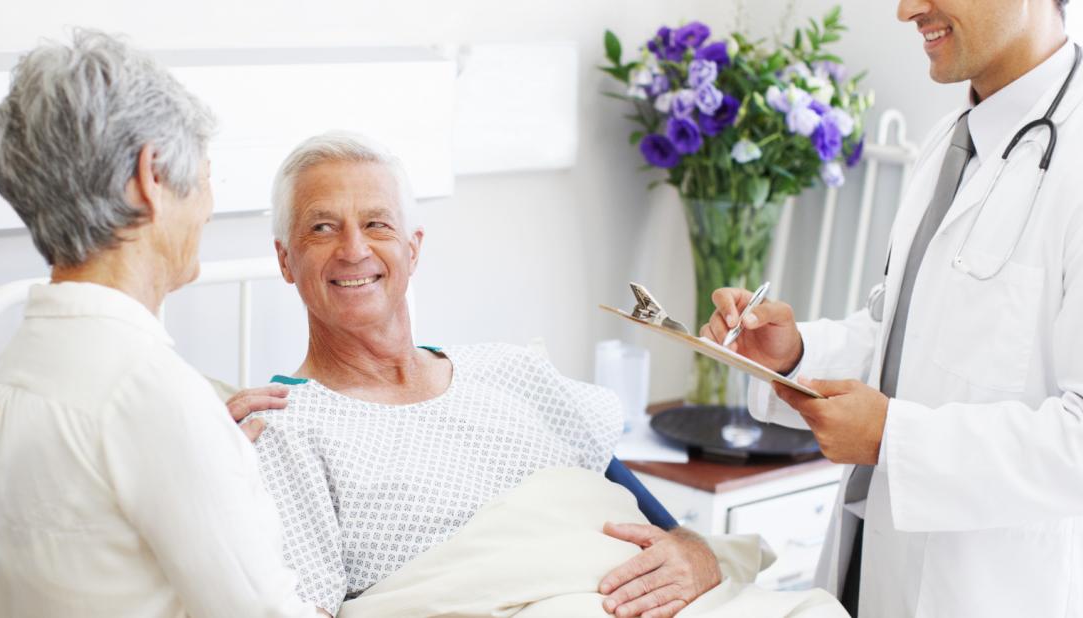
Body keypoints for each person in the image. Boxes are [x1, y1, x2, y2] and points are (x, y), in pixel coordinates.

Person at [703, 0, 1083, 616]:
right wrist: (797, 354)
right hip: (869, 562)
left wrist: (895, 438)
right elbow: (903, 338)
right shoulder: (951, 141)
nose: (906, 9)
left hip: (993, 592)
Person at [222, 131, 723, 617]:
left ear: (412, 249)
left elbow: (666, 527)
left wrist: (697, 553)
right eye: (322, 228)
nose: (354, 249)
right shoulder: (283, 430)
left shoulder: (510, 370)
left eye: (377, 224)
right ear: (286, 260)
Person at [0, 29, 318, 618]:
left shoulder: (14, 371)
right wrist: (206, 452)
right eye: (205, 177)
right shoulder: (149, 394)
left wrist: (204, 460)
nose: (208, 206)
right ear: (150, 178)